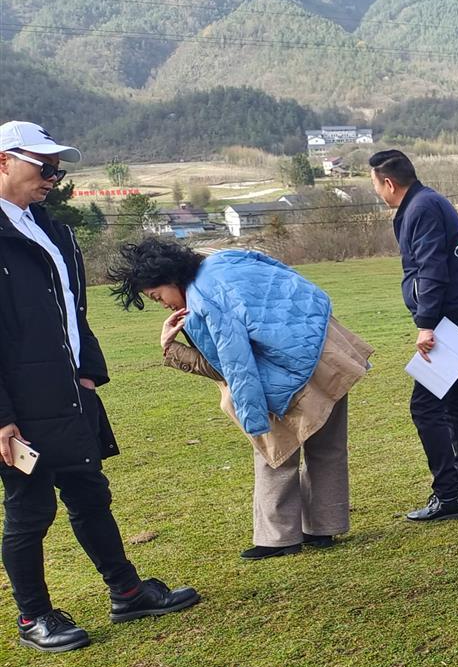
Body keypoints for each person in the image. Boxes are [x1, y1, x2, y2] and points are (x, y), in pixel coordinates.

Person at [0, 121, 199, 653]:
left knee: (91, 495)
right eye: (43, 166)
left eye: (58, 167)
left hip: (70, 392)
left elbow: (73, 312)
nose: (53, 176)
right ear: (3, 161)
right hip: (19, 404)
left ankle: (128, 593)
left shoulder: (54, 230)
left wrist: (89, 372)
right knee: (29, 509)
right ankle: (33, 618)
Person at [109, 239, 373, 560]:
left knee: (274, 451)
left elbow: (233, 367)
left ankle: (278, 537)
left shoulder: (204, 301)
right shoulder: (222, 261)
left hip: (289, 372)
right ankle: (323, 528)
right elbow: (280, 272)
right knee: (327, 446)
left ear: (171, 278)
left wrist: (172, 349)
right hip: (328, 348)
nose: (162, 304)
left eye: (157, 296)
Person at [370, 149, 458, 521]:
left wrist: (426, 323)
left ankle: (449, 495)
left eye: (375, 185)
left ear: (389, 183)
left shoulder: (421, 208)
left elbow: (431, 268)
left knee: (425, 405)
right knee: (452, 399)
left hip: (449, 316)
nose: (377, 192)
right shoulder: (425, 202)